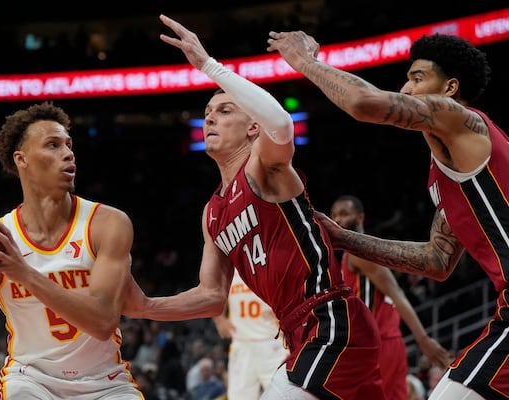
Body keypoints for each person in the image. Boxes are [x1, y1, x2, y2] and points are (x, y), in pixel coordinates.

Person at [124, 14, 386, 399]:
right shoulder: (211, 212)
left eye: (225, 110)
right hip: (298, 334)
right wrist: (144, 306)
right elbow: (212, 296)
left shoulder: (263, 165)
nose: (211, 116)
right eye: (208, 113)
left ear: (251, 127)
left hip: (330, 322)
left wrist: (209, 67)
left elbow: (279, 123)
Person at [267, 29, 509, 400]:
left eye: (417, 78)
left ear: (450, 89)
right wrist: (343, 238)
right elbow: (437, 260)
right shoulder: (450, 169)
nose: (406, 89)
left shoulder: (463, 119)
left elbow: (365, 102)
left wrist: (304, 62)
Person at [0, 102, 144, 399]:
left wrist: (23, 273)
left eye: (68, 144)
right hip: (31, 380)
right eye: (52, 145)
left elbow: (102, 323)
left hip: (105, 381)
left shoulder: (107, 224)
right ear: (21, 159)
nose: (68, 152)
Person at [330, 194, 452, 399]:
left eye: (344, 214)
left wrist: (422, 339)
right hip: (390, 342)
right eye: (334, 215)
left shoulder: (359, 255)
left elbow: (397, 294)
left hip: (377, 344)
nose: (337, 220)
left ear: (360, 218)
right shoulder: (356, 253)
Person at [211, 268, 289, 400]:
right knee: (238, 397)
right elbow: (215, 292)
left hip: (272, 343)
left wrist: (282, 311)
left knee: (284, 395)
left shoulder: (269, 264)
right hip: (241, 343)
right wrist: (219, 319)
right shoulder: (230, 268)